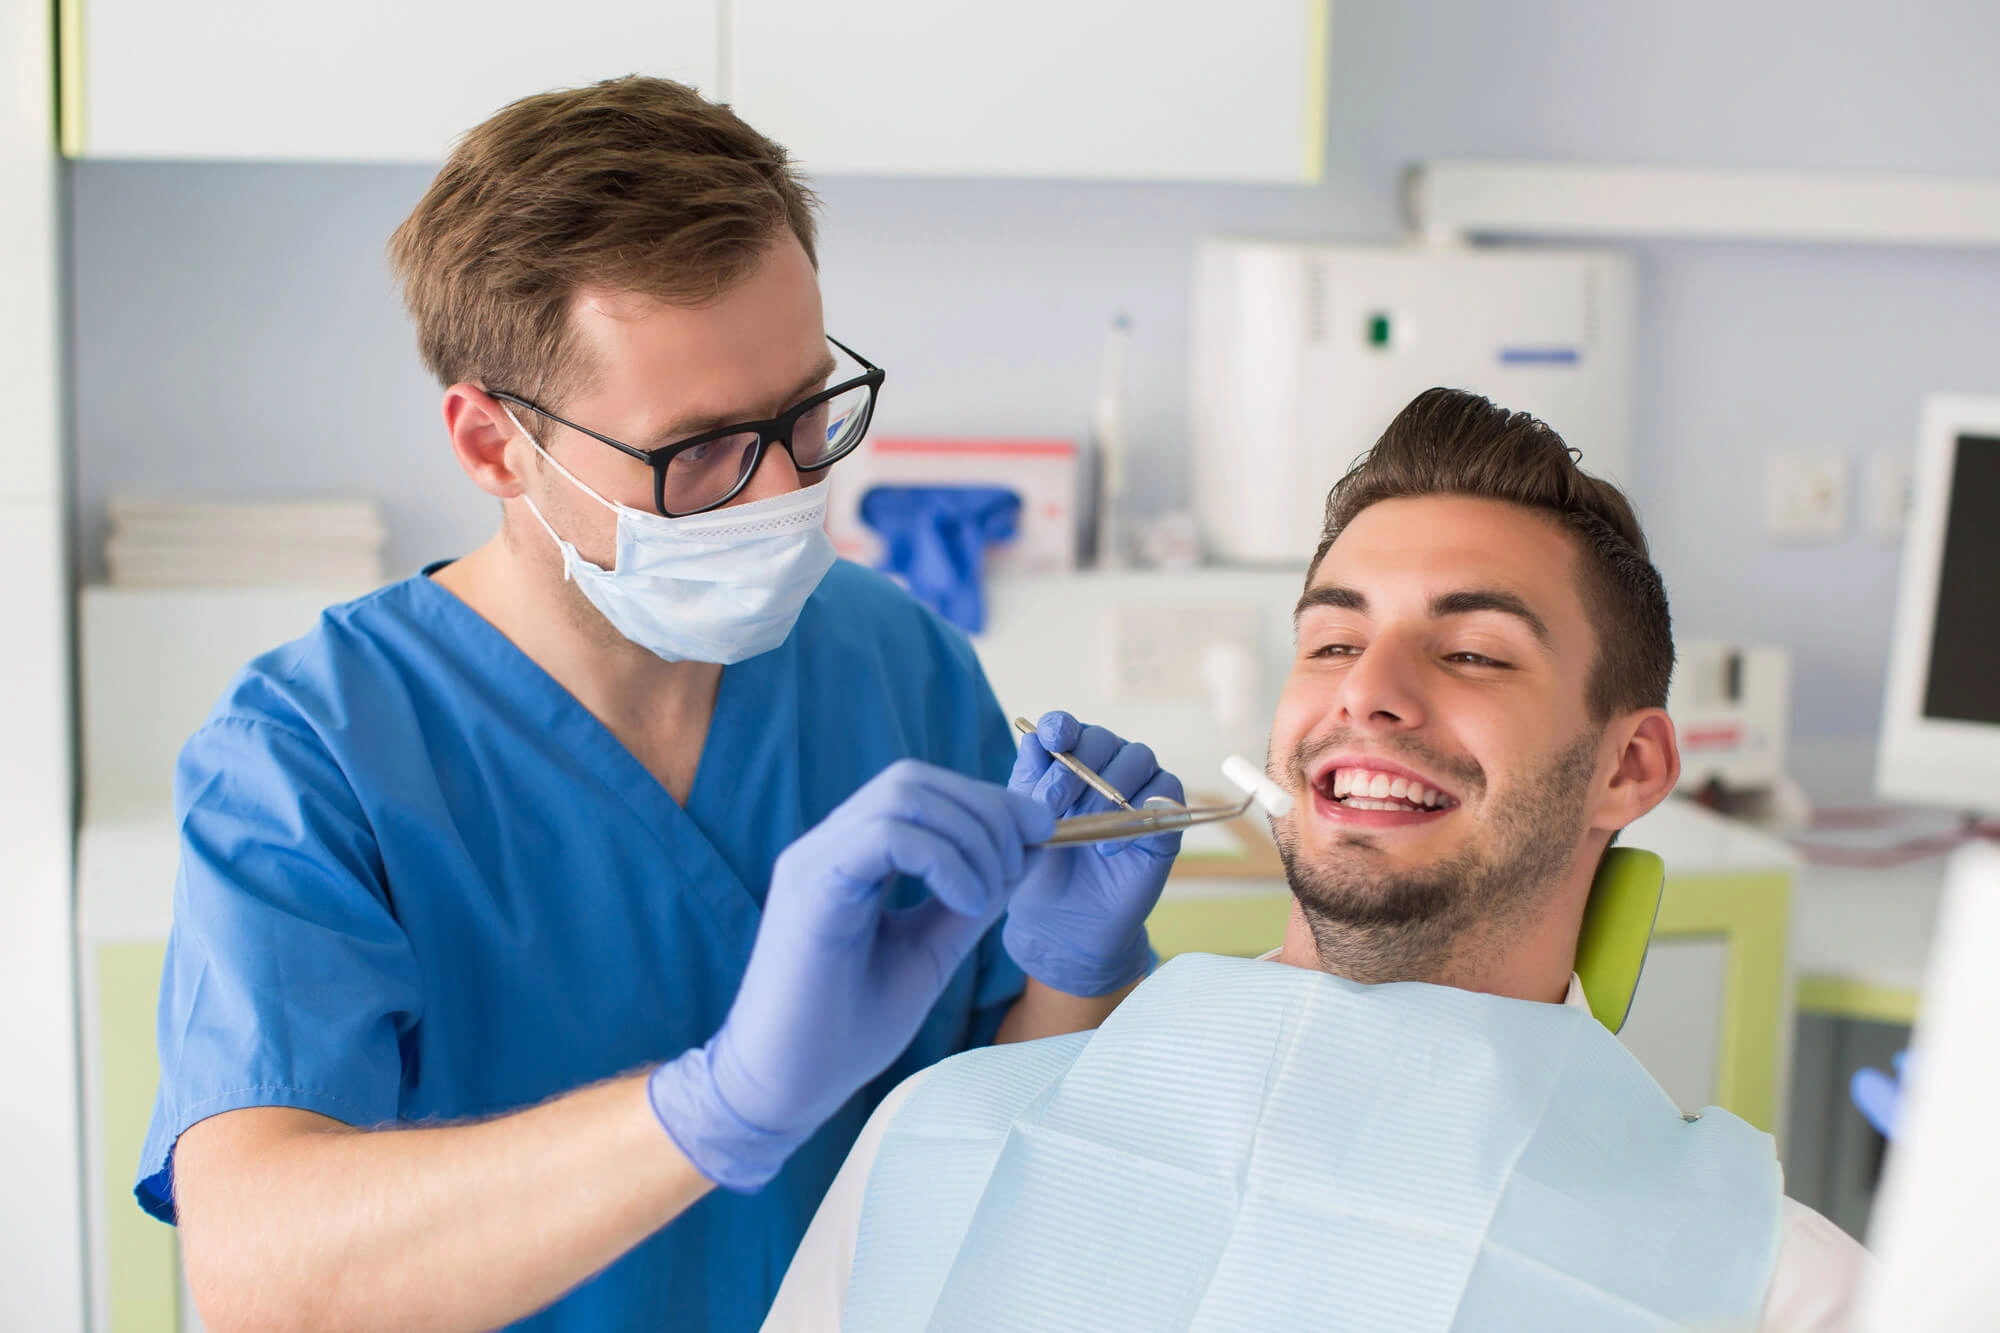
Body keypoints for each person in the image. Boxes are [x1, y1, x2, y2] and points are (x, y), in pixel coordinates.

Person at [137, 77, 1184, 1333]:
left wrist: (1072, 978)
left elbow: (982, 1152)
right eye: (698, 451)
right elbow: (266, 1275)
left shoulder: (892, 659)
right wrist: (715, 1110)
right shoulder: (314, 756)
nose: (785, 494)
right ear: (490, 445)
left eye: (807, 417)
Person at [762, 388, 1870, 1332]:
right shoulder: (940, 1144)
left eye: (1474, 651)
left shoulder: (1772, 1288)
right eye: (1330, 641)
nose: (1366, 689)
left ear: (1627, 766)